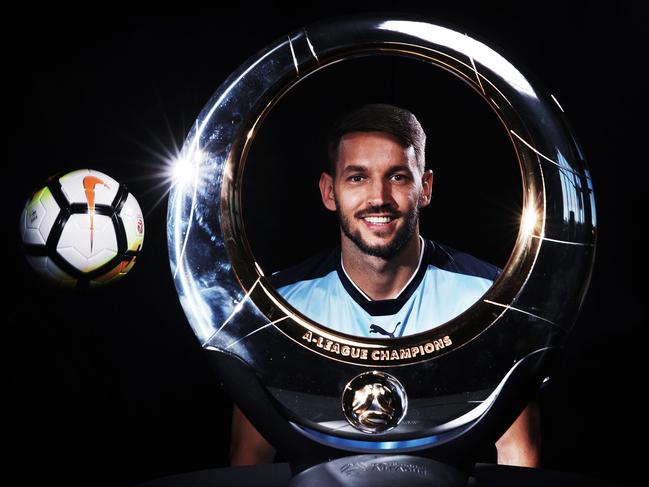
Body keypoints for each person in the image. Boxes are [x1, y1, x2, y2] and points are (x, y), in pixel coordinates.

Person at [231, 104, 540, 467]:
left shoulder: (491, 298)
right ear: (329, 192)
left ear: (424, 188)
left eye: (397, 177)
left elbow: (518, 455)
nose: (378, 197)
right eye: (357, 177)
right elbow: (249, 460)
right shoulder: (277, 306)